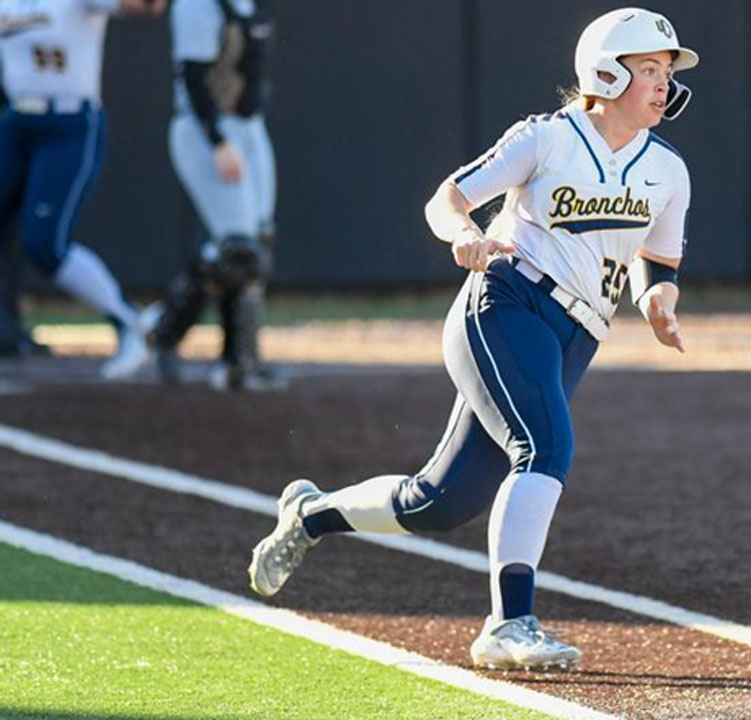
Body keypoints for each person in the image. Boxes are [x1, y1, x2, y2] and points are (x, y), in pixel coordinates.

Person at [246, 7, 698, 670]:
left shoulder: (669, 169)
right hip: (507, 305)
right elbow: (446, 199)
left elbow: (657, 261)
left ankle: (311, 516)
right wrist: (464, 234)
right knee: (546, 448)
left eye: (667, 72)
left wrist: (659, 299)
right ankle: (509, 623)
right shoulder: (546, 138)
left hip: (577, 336)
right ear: (605, 71)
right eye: (650, 69)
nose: (663, 83)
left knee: (437, 502)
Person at [0, 0, 165, 377]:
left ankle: (131, 323)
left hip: (69, 122)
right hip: (15, 122)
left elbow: (146, 6)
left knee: (44, 244)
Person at [145, 0, 283, 391]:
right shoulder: (196, 6)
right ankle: (163, 333)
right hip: (205, 129)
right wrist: (218, 140)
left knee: (256, 245)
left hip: (250, 128)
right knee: (237, 249)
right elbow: (192, 76)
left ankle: (240, 363)